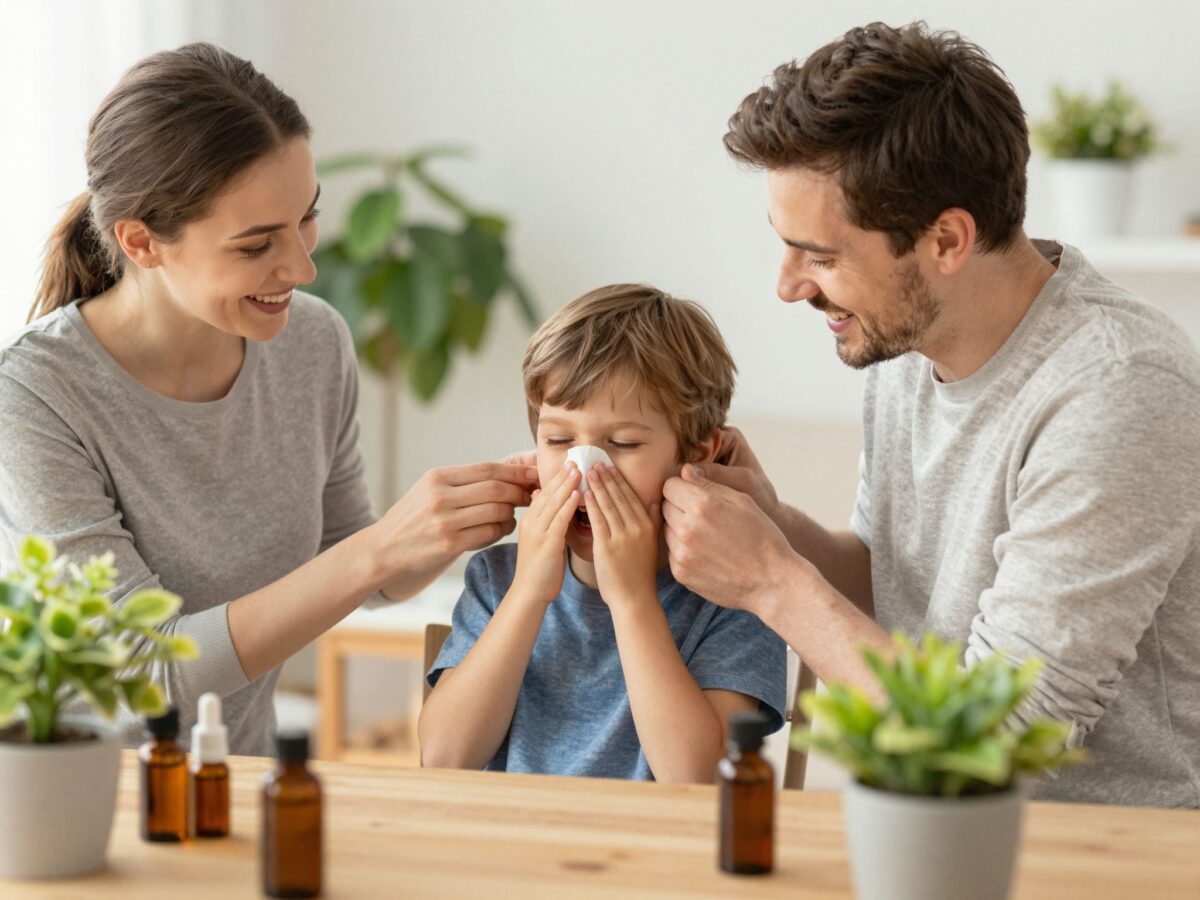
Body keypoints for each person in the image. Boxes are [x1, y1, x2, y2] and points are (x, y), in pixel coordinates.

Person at [662, 22, 1200, 807]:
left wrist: (770, 582)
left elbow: (1005, 740)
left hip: (1104, 859)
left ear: (946, 239)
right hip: (931, 838)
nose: (789, 287)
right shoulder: (907, 343)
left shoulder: (1118, 389)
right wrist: (774, 523)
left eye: (821, 255)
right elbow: (896, 583)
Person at [0, 43, 536, 754]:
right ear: (142, 242)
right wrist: (376, 554)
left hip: (238, 783)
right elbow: (140, 670)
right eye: (256, 246)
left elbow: (352, 562)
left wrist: (465, 513)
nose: (304, 266)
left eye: (306, 219)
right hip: (93, 808)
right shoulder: (36, 394)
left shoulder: (311, 344)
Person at [419, 285, 786, 783]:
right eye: (559, 440)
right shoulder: (498, 578)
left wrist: (632, 598)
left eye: (623, 443)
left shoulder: (735, 595)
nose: (586, 468)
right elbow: (443, 758)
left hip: (662, 856)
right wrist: (528, 594)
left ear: (696, 453)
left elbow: (696, 780)